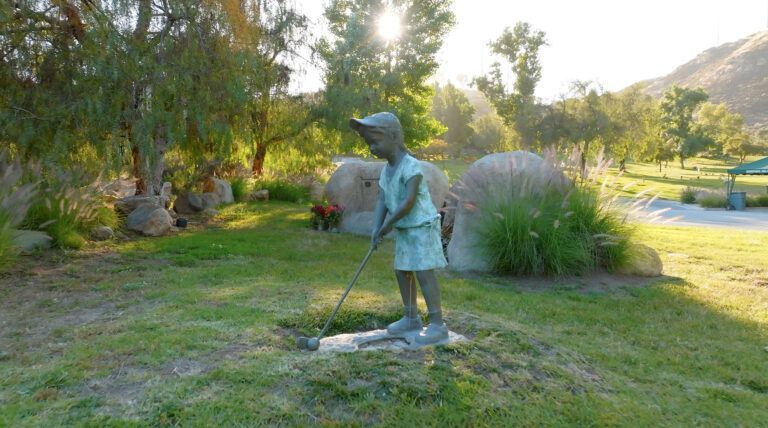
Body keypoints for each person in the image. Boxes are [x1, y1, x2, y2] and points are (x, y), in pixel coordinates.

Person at [349, 112, 449, 345]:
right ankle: (411, 317)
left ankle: (437, 324)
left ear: (394, 137)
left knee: (423, 272)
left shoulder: (411, 166)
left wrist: (387, 225)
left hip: (421, 227)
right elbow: (382, 200)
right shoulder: (386, 170)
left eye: (375, 142)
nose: (372, 148)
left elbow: (408, 202)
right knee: (402, 271)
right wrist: (376, 228)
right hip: (405, 229)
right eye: (368, 144)